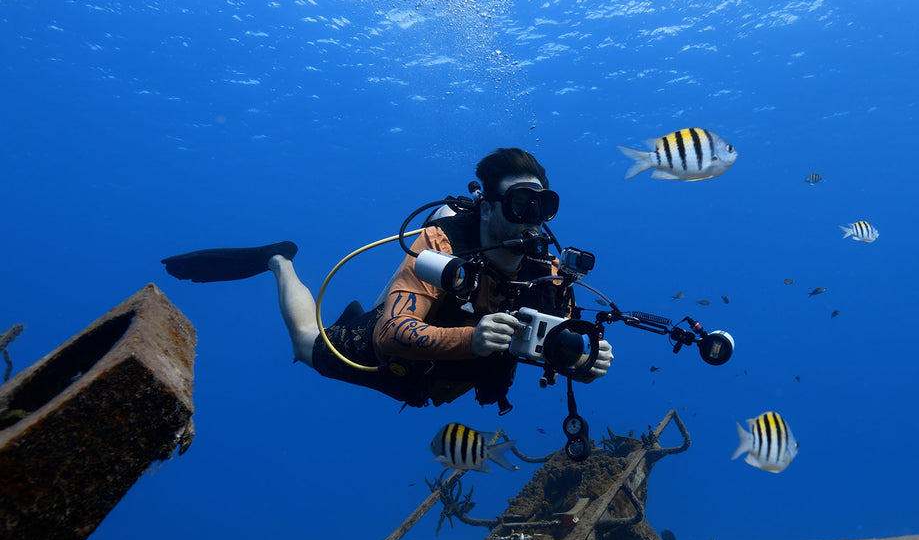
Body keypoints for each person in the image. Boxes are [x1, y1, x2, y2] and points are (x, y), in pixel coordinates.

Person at [162, 148, 613, 414]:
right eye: (520, 204)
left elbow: (556, 342)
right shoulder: (439, 242)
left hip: (440, 376)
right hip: (392, 356)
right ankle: (278, 260)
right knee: (305, 344)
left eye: (543, 206)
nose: (531, 221)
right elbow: (392, 333)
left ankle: (377, 300)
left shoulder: (548, 273)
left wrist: (582, 361)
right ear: (489, 205)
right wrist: (471, 339)